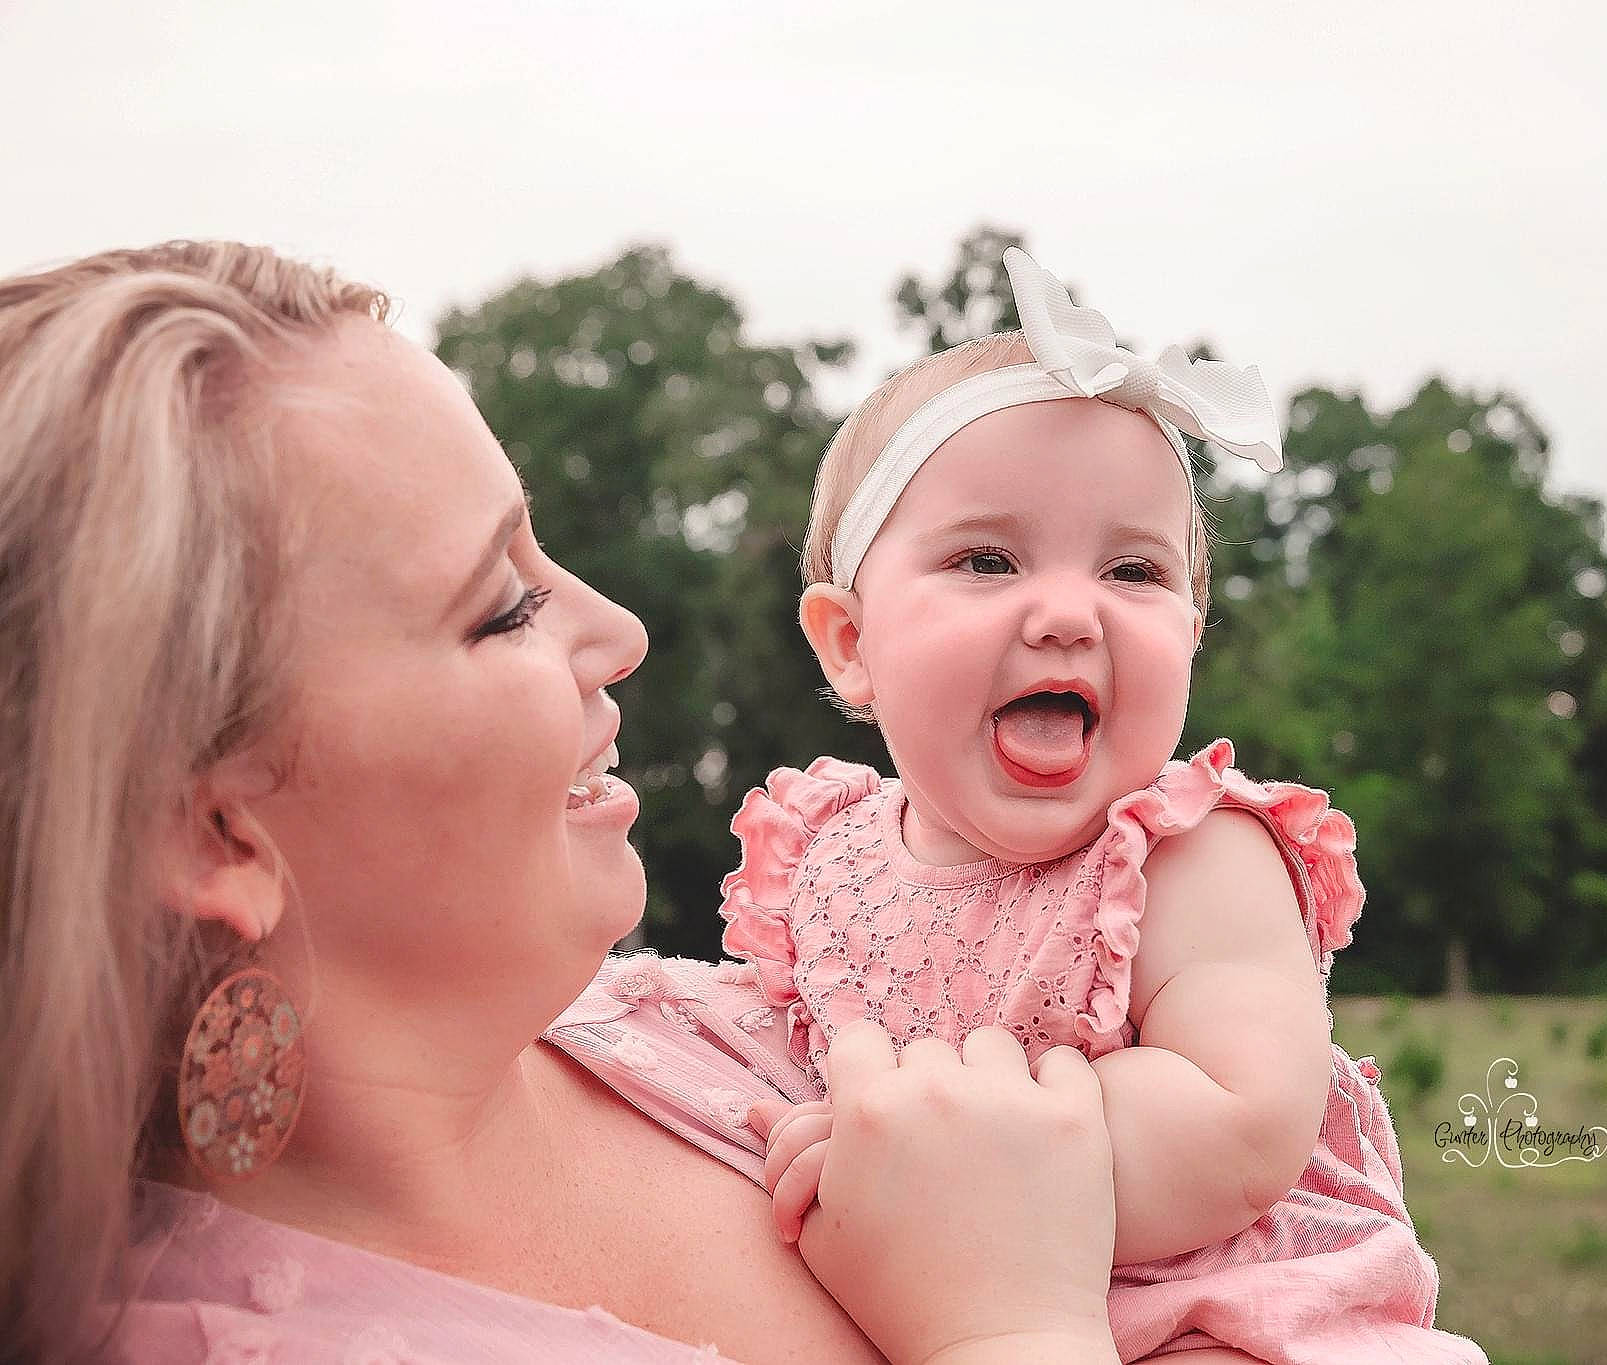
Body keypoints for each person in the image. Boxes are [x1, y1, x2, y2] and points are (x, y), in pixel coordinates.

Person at [0, 241, 1130, 1364]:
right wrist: (1016, 1331)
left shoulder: (698, 1029)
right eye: (501, 608)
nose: (619, 634)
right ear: (213, 834)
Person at [712, 250, 1491, 1364]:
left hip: (1226, 1318)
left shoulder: (1193, 853)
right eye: (987, 560)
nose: (1069, 612)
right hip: (914, 1308)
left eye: (1133, 574)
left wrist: (915, 1174)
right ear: (850, 643)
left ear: (1187, 635)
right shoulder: (823, 861)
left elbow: (1237, 1118)